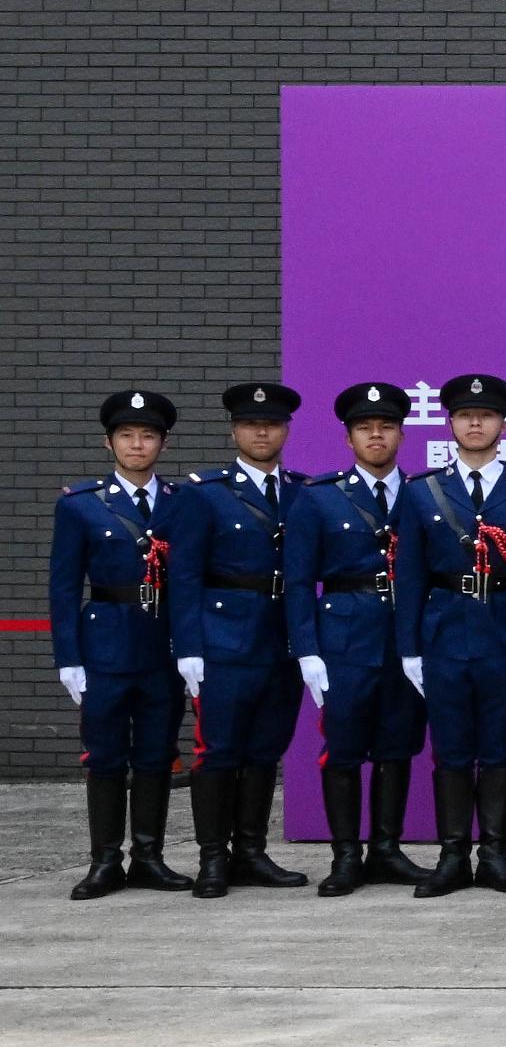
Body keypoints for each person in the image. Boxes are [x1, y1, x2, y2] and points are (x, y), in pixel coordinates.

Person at [392, 373, 506, 896]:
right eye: (465, 416)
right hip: (443, 630)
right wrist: (410, 647)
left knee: (501, 750)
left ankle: (496, 856)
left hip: (504, 633)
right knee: (452, 751)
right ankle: (452, 855)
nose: (475, 423)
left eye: (485, 416)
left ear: (503, 424)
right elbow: (409, 575)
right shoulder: (421, 493)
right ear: (451, 424)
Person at [289, 382, 435, 897]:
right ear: (348, 437)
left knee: (398, 746)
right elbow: (300, 578)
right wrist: (307, 649)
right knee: (345, 749)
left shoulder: (424, 494)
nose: (376, 435)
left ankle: (387, 849)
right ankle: (347, 855)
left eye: (386, 426)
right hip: (344, 639)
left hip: (407, 640)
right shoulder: (321, 497)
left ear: (401, 433)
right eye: (365, 428)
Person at [165, 381, 309, 896]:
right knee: (219, 751)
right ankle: (212, 858)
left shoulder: (303, 492)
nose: (262, 431)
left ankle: (251, 851)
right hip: (223, 640)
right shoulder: (205, 495)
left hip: (283, 641)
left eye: (271, 424)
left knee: (265, 750)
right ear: (235, 431)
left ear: (287, 430)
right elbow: (182, 577)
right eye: (252, 424)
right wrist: (188, 648)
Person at [53, 389, 185, 899]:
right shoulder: (82, 506)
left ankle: (149, 856)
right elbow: (64, 585)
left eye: (147, 435)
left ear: (163, 444)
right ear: (109, 444)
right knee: (106, 756)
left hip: (162, 645)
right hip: (105, 643)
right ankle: (105, 861)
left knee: (155, 754)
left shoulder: (180, 502)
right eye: (127, 436)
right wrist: (69, 656)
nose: (137, 445)